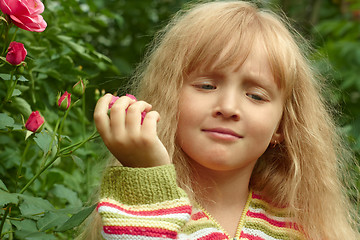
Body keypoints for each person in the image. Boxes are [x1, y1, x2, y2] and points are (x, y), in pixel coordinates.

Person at [82, 1, 360, 239]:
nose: (228, 108)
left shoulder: (304, 228)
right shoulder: (132, 207)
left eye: (255, 95)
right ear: (168, 97)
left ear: (282, 126)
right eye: (206, 86)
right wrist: (146, 180)